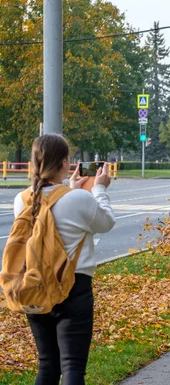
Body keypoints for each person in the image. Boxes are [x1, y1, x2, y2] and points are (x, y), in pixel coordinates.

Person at [12, 134, 115, 384]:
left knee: (47, 364)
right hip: (73, 289)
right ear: (65, 163)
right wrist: (99, 188)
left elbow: (53, 208)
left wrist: (69, 189)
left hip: (35, 288)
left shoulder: (22, 199)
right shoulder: (78, 199)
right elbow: (106, 222)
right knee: (72, 367)